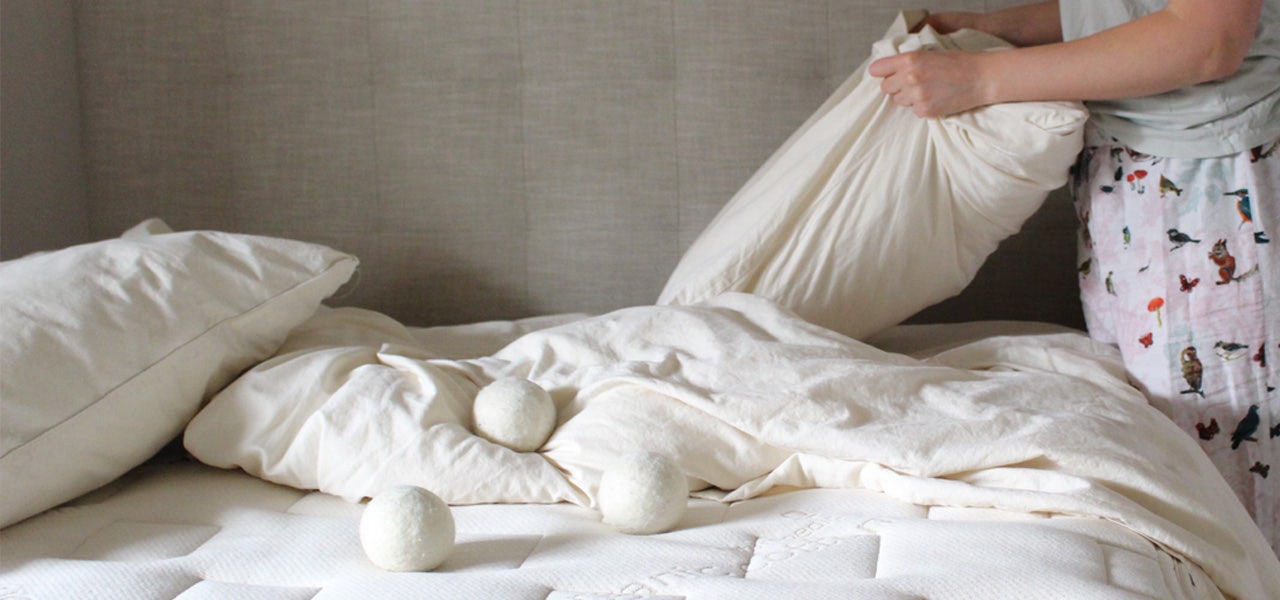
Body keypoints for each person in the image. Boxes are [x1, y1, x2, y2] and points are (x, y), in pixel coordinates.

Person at [870, 1, 1280, 553]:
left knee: (1236, 490)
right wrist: (990, 31)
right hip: (1128, 178)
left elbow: (1209, 39)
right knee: (1172, 455)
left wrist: (981, 78)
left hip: (1215, 186)